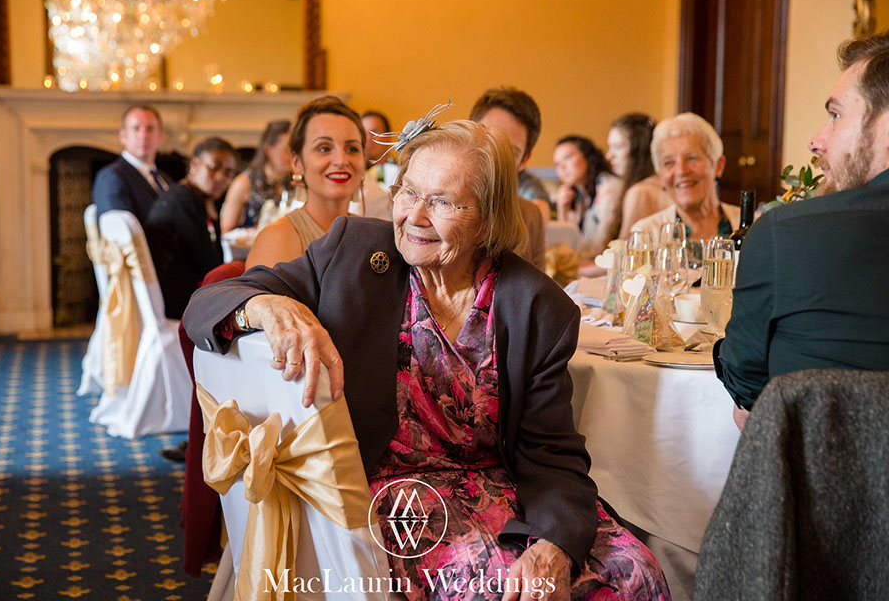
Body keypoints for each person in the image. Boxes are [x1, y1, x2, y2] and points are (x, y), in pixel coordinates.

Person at [184, 120, 668, 600]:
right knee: (494, 590)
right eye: (408, 192)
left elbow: (551, 453)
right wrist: (271, 304)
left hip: (506, 491)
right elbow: (207, 304)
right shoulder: (352, 254)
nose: (414, 215)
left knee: (635, 572)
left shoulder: (536, 306)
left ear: (489, 217)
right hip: (395, 492)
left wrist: (552, 545)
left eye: (442, 202)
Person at [715, 30, 889, 426]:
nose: (816, 141)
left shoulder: (786, 236)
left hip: (822, 484)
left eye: (835, 115)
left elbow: (749, 399)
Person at [243, 96, 366, 269]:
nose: (341, 160)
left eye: (352, 149)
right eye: (324, 148)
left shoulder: (371, 235)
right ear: (297, 163)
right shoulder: (277, 238)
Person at [145, 137, 239, 320]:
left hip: (185, 294)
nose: (221, 177)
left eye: (228, 173)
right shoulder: (182, 200)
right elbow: (209, 265)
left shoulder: (198, 199)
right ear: (194, 164)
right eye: (214, 167)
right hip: (176, 302)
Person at [469, 87, 548, 269]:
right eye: (486, 139)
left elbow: (538, 292)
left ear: (523, 161)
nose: (493, 157)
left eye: (510, 152)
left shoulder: (529, 216)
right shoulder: (430, 202)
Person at [630, 113, 740, 241]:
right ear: (659, 175)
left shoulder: (753, 226)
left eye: (691, 158)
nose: (681, 171)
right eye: (668, 162)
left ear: (718, 166)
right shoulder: (646, 234)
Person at [92, 105, 170, 222]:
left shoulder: (165, 178)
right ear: (123, 136)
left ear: (160, 137)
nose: (143, 135)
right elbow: (121, 233)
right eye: (136, 128)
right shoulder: (110, 177)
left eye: (150, 129)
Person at [553, 136, 625, 258]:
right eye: (557, 164)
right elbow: (565, 248)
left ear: (587, 156)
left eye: (567, 158)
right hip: (588, 263)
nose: (562, 168)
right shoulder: (578, 194)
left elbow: (598, 247)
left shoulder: (609, 187)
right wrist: (562, 211)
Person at [219, 119, 292, 233]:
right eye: (286, 150)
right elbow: (226, 230)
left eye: (295, 150)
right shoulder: (244, 183)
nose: (292, 156)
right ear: (268, 150)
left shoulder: (297, 180)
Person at [609, 114, 670, 239]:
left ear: (639, 151)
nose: (609, 155)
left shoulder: (640, 192)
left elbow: (625, 253)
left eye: (617, 147)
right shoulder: (665, 184)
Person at [360, 109, 396, 219]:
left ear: (388, 136)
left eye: (374, 132)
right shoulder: (353, 175)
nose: (368, 139)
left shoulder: (403, 171)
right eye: (363, 133)